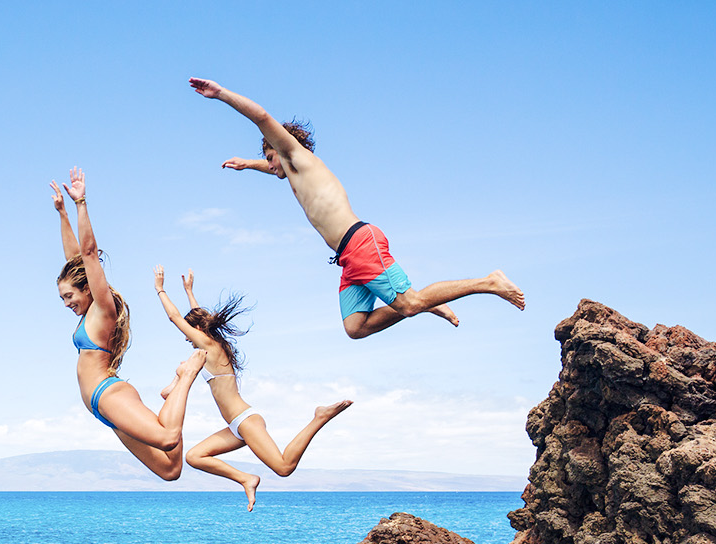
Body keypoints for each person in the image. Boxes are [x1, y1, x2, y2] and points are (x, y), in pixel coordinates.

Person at [189, 77, 525, 340]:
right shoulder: (290, 169)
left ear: (279, 147)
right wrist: (249, 164)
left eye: (268, 156)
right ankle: (424, 303)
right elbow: (274, 170)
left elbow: (261, 117)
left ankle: (489, 282)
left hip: (360, 243)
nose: (269, 164)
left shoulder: (296, 156)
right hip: (348, 257)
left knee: (409, 304)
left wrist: (221, 94)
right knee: (355, 327)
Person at [52, 168, 206, 480]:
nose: (67, 304)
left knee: (167, 438)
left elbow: (88, 254)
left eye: (69, 296)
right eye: (62, 299)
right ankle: (172, 392)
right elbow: (75, 261)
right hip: (102, 409)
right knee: (170, 469)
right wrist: (61, 214)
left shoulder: (103, 309)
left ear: (86, 288)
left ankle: (186, 375)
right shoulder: (88, 312)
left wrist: (81, 203)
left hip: (108, 394)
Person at [154, 266, 351, 511]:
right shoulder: (207, 347)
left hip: (246, 420)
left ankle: (319, 417)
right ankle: (246, 479)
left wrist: (160, 290)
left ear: (198, 331)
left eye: (189, 332)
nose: (186, 338)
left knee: (283, 467)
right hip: (235, 426)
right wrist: (189, 292)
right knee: (194, 457)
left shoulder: (209, 345)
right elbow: (199, 319)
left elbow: (175, 318)